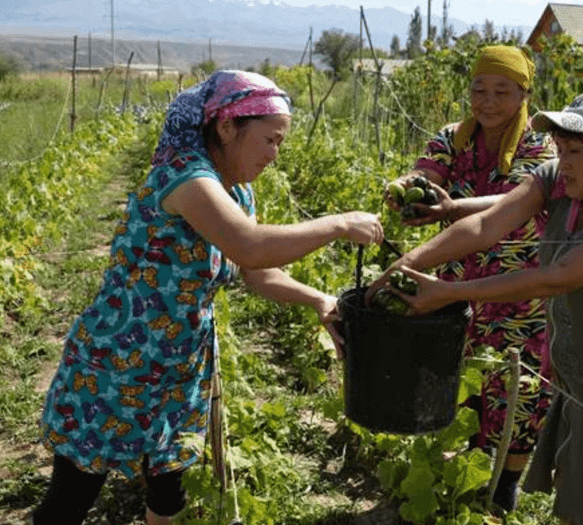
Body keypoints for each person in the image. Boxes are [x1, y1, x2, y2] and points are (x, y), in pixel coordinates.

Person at [33, 70, 384, 525]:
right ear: (227, 127)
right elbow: (250, 246)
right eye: (270, 140)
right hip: (118, 365)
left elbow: (257, 272)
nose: (274, 154)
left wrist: (319, 299)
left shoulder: (236, 190)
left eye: (280, 143)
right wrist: (339, 224)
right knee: (71, 499)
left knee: (168, 491)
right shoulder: (187, 178)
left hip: (178, 368)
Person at [370, 90, 583, 525]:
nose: (562, 160)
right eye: (560, 148)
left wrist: (449, 292)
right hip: (575, 371)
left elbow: (553, 278)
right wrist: (409, 262)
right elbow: (485, 225)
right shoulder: (557, 182)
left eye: (575, 151)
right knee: (576, 499)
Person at [383, 44, 555, 511]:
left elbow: (517, 199)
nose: (488, 101)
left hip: (518, 289)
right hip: (456, 283)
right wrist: (408, 187)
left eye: (502, 91)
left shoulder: (539, 147)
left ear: (524, 95)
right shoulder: (453, 138)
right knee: (463, 378)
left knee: (518, 389)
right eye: (480, 89)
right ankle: (465, 474)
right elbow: (427, 170)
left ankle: (505, 486)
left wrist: (451, 207)